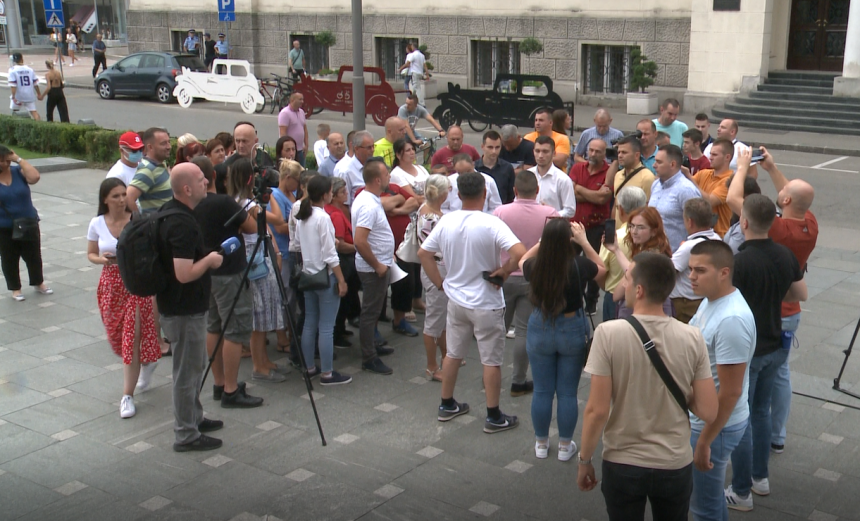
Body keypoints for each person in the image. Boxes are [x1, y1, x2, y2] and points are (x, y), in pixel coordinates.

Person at [577, 252, 718, 520]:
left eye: (627, 279)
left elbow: (596, 411)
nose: (624, 285)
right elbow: (709, 411)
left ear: (639, 290)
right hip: (674, 461)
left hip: (623, 462)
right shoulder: (692, 337)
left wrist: (584, 460)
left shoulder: (608, 334)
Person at [419, 171, 527, 434]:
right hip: (486, 301)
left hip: (456, 299)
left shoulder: (447, 221)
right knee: (490, 359)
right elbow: (520, 253)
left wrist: (441, 283)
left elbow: (424, 253)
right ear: (484, 193)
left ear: (457, 194)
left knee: (453, 353)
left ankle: (446, 404)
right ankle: (493, 415)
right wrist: (503, 270)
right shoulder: (491, 223)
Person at [724, 190, 807, 512]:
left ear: (743, 221)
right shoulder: (785, 255)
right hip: (776, 343)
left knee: (741, 418)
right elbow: (800, 292)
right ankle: (760, 478)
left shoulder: (739, 261)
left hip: (748, 350)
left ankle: (741, 490)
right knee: (761, 413)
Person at [744, 148, 818, 455]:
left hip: (768, 312)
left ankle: (747, 427)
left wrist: (740, 170)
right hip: (792, 313)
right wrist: (773, 169)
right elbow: (792, 198)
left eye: (783, 191)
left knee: (753, 371)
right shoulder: (809, 225)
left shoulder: (778, 228)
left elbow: (743, 206)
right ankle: (778, 434)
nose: (781, 189)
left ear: (785, 201)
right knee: (781, 373)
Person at [520, 219, 605, 460]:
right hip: (572, 327)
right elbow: (602, 270)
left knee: (542, 390)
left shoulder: (536, 265)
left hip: (541, 324)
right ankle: (566, 446)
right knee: (568, 392)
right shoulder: (579, 265)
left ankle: (541, 443)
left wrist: (540, 243)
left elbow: (521, 261)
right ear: (571, 240)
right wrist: (585, 242)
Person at [157, 162, 225, 452]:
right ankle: (186, 434)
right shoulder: (181, 223)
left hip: (183, 306)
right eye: (200, 179)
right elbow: (183, 273)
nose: (206, 182)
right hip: (183, 309)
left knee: (193, 369)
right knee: (186, 373)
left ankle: (194, 418)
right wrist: (210, 260)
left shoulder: (173, 212)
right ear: (187, 189)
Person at [687, 240, 756, 521]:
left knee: (703, 507)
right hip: (707, 420)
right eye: (691, 269)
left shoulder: (731, 320)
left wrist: (704, 441)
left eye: (700, 270)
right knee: (709, 500)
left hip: (714, 426)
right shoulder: (711, 299)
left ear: (724, 272)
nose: (691, 276)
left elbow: (730, 392)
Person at [191, 156, 263, 408]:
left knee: (214, 326)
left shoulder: (189, 204)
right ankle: (232, 389)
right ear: (213, 177)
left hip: (204, 271)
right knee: (234, 329)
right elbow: (253, 227)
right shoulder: (223, 202)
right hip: (229, 272)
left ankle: (219, 383)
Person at [494, 171, 559, 396]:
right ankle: (518, 381)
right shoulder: (549, 213)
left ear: (515, 190)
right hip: (533, 276)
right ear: (537, 190)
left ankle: (490, 376)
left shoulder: (501, 211)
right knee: (523, 330)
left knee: (497, 329)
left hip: (504, 275)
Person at [226, 158, 289, 383]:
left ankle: (264, 361)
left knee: (262, 315)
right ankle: (258, 365)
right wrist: (268, 195)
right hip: (255, 262)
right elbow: (274, 219)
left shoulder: (239, 200)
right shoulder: (246, 203)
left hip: (258, 257)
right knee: (259, 315)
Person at [296, 175, 351, 385]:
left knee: (310, 322)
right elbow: (330, 254)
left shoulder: (303, 215)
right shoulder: (323, 217)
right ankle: (327, 373)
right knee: (326, 326)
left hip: (308, 275)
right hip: (325, 276)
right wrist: (341, 280)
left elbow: (300, 245)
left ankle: (309, 367)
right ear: (325, 194)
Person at [353, 159, 397, 375]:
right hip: (372, 269)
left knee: (374, 309)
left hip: (379, 264)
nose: (389, 177)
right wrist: (378, 265)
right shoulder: (369, 205)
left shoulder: (369, 199)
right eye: (387, 175)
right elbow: (360, 240)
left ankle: (373, 346)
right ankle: (369, 357)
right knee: (370, 312)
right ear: (378, 179)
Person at [605, 207, 674, 318]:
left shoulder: (654, 256)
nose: (634, 231)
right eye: (632, 226)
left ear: (654, 231)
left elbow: (634, 273)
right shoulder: (643, 250)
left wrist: (617, 250)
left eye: (640, 227)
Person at [0, 147, 49, 302]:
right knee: (9, 258)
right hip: (4, 226)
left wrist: (18, 159)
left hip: (28, 222)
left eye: (7, 160)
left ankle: (38, 282)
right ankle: (15, 289)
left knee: (33, 255)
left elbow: (35, 177)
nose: (5, 164)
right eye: (2, 160)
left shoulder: (17, 172)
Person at [570, 138, 612, 314]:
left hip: (596, 226)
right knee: (571, 263)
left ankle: (592, 302)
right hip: (574, 225)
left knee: (595, 264)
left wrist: (579, 189)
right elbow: (570, 192)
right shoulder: (577, 168)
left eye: (598, 151)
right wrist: (592, 194)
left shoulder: (609, 172)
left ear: (605, 154)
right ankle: (573, 297)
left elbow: (603, 199)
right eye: (591, 150)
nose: (593, 154)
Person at [416, 174, 451, 381]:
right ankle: (432, 366)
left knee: (442, 317)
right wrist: (439, 282)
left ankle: (447, 356)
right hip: (436, 269)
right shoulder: (434, 218)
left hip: (435, 268)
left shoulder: (425, 210)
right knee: (434, 320)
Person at [669, 198, 721, 324]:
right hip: (704, 300)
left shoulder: (689, 247)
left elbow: (667, 271)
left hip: (685, 305)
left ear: (690, 222)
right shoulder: (717, 239)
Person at [599, 186, 647, 322]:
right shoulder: (658, 239)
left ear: (620, 210)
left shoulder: (616, 238)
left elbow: (600, 271)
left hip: (615, 296)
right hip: (643, 298)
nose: (635, 232)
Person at [325, 177, 360, 348]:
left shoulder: (336, 210)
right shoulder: (336, 215)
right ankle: (337, 333)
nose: (347, 194)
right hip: (345, 261)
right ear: (334, 196)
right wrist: (358, 247)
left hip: (346, 259)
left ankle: (340, 329)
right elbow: (340, 243)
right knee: (342, 297)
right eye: (343, 192)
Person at [648, 144, 702, 253]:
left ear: (672, 164)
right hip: (654, 252)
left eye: (659, 162)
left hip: (676, 257)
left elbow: (698, 228)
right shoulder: (655, 185)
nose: (654, 165)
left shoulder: (686, 190)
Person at [214, 122, 276, 194]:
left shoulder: (264, 157)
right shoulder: (229, 164)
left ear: (255, 141)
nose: (240, 145)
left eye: (244, 141)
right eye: (237, 141)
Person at [608, 135, 655, 228]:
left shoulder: (647, 177)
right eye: (619, 152)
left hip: (634, 232)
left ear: (637, 155)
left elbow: (647, 209)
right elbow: (615, 205)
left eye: (624, 152)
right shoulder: (618, 175)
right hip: (618, 231)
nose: (620, 155)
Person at [690, 138, 734, 237]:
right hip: (699, 233)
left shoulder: (730, 180)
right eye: (710, 154)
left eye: (714, 155)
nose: (710, 157)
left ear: (727, 157)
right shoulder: (704, 173)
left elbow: (710, 202)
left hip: (718, 236)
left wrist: (689, 178)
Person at [127, 127, 173, 215]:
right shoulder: (148, 169)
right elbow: (129, 197)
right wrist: (141, 222)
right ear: (150, 147)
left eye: (169, 142)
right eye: (163, 143)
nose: (169, 147)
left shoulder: (160, 163)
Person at [528, 136, 576, 218]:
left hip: (551, 227)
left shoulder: (563, 179)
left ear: (554, 153)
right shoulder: (527, 175)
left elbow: (570, 210)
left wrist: (551, 213)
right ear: (533, 152)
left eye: (545, 151)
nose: (540, 155)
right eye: (537, 151)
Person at [476, 130, 516, 205]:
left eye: (497, 147)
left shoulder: (507, 168)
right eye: (490, 147)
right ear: (482, 147)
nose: (494, 151)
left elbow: (511, 195)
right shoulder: (474, 168)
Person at [335, 130, 374, 205]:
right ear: (356, 148)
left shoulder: (374, 166)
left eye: (373, 146)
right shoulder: (345, 171)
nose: (372, 150)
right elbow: (343, 204)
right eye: (368, 148)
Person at [390, 138, 430, 203]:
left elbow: (434, 187)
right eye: (408, 150)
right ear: (398, 155)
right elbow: (414, 197)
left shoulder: (421, 168)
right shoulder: (396, 174)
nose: (412, 152)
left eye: (413, 149)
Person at [278, 93, 309, 165]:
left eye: (302, 99)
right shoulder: (285, 113)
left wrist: (306, 145)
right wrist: (287, 150)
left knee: (301, 173)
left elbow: (304, 129)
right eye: (300, 99)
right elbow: (283, 133)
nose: (302, 101)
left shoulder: (301, 112)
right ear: (292, 100)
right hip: (290, 151)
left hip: (300, 150)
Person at [9, 53, 41, 120]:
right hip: (29, 95)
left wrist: (13, 96)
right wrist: (38, 93)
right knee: (34, 112)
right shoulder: (29, 69)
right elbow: (35, 83)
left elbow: (13, 85)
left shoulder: (12, 70)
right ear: (22, 59)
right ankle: (40, 125)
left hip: (18, 96)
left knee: (15, 112)